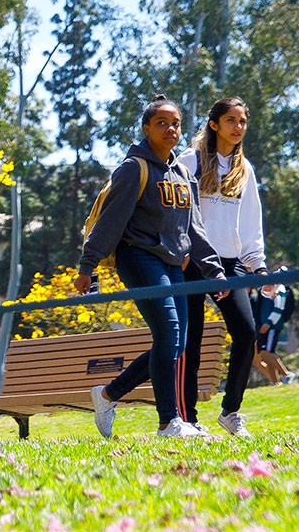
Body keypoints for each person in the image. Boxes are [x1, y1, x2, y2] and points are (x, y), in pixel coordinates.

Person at [75, 96, 227, 442]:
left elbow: (194, 229)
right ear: (146, 129)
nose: (170, 129)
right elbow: (111, 221)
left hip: (174, 261)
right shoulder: (133, 168)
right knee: (170, 332)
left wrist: (214, 270)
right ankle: (168, 422)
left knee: (175, 341)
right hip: (139, 258)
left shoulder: (184, 173)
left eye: (175, 123)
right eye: (161, 123)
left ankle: (109, 394)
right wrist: (89, 264)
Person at [173, 97, 268, 437]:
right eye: (231, 120)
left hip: (229, 262)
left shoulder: (246, 170)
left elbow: (251, 223)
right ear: (214, 124)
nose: (238, 127)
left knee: (245, 332)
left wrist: (258, 266)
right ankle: (188, 420)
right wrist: (181, 252)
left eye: (242, 121)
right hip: (193, 262)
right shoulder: (189, 161)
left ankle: (231, 412)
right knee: (190, 342)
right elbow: (176, 212)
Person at [253, 281, 296, 386]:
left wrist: (269, 322)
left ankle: (287, 374)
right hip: (263, 326)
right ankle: (276, 382)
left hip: (272, 326)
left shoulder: (279, 289)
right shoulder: (264, 290)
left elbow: (278, 308)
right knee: (265, 353)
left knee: (267, 352)